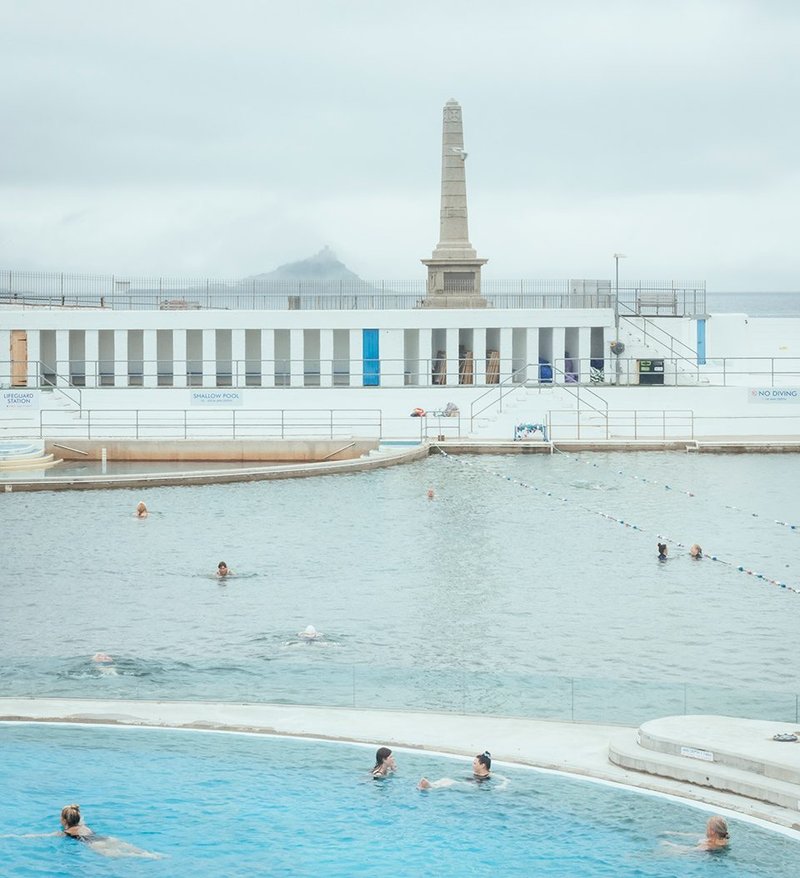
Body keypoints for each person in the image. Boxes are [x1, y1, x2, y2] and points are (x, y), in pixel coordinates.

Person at [419, 751, 492, 789]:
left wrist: (501, 786)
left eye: (475, 763)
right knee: (446, 779)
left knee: (451, 782)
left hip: (474, 786)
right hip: (471, 782)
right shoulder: (476, 772)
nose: (472, 765)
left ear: (482, 765)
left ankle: (432, 786)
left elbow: (501, 779)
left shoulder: (488, 776)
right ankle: (432, 785)